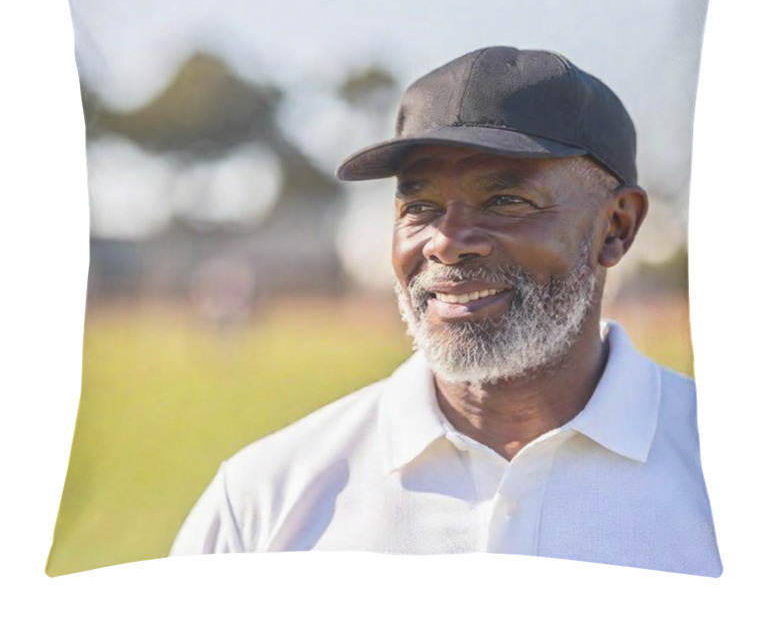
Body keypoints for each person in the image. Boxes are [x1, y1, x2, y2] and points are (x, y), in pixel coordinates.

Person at [170, 46, 721, 576]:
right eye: (420, 207)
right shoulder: (266, 499)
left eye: (506, 201)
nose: (448, 242)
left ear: (617, 227)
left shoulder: (735, 480)